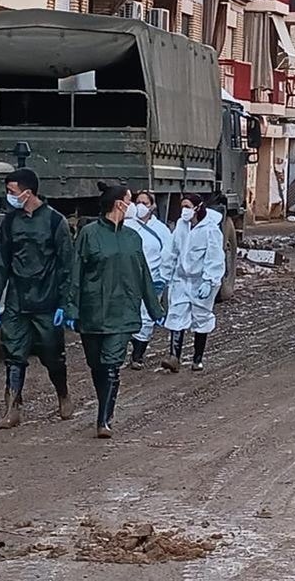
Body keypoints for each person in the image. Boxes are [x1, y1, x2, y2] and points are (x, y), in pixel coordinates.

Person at [66, 183, 164, 438]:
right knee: (97, 365)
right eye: (130, 200)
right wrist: (71, 308)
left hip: (123, 312)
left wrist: (155, 308)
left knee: (111, 365)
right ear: (119, 204)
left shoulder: (133, 238)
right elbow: (76, 272)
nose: (133, 205)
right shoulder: (89, 234)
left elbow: (143, 274)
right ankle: (103, 405)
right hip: (94, 312)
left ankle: (104, 418)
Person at [0, 169, 75, 430]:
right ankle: (11, 408)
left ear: (28, 192)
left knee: (52, 355)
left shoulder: (54, 222)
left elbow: (67, 266)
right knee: (13, 354)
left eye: (12, 192)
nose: (9, 197)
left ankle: (63, 394)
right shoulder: (10, 222)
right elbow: (0, 259)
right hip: (17, 300)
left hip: (47, 301)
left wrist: (65, 303)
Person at [160, 194, 227, 373]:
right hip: (181, 280)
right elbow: (172, 251)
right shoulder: (182, 226)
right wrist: (165, 275)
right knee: (176, 315)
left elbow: (215, 257)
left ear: (198, 207)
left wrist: (209, 280)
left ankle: (197, 359)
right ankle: (174, 357)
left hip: (200, 281)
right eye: (183, 206)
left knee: (201, 318)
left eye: (188, 206)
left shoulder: (210, 230)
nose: (184, 210)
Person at [123, 190, 172, 370]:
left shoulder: (161, 230)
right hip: (128, 279)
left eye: (145, 202)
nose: (141, 206)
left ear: (153, 206)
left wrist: (164, 278)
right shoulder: (127, 225)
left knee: (146, 317)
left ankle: (138, 355)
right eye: (138, 202)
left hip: (152, 279)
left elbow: (168, 255)